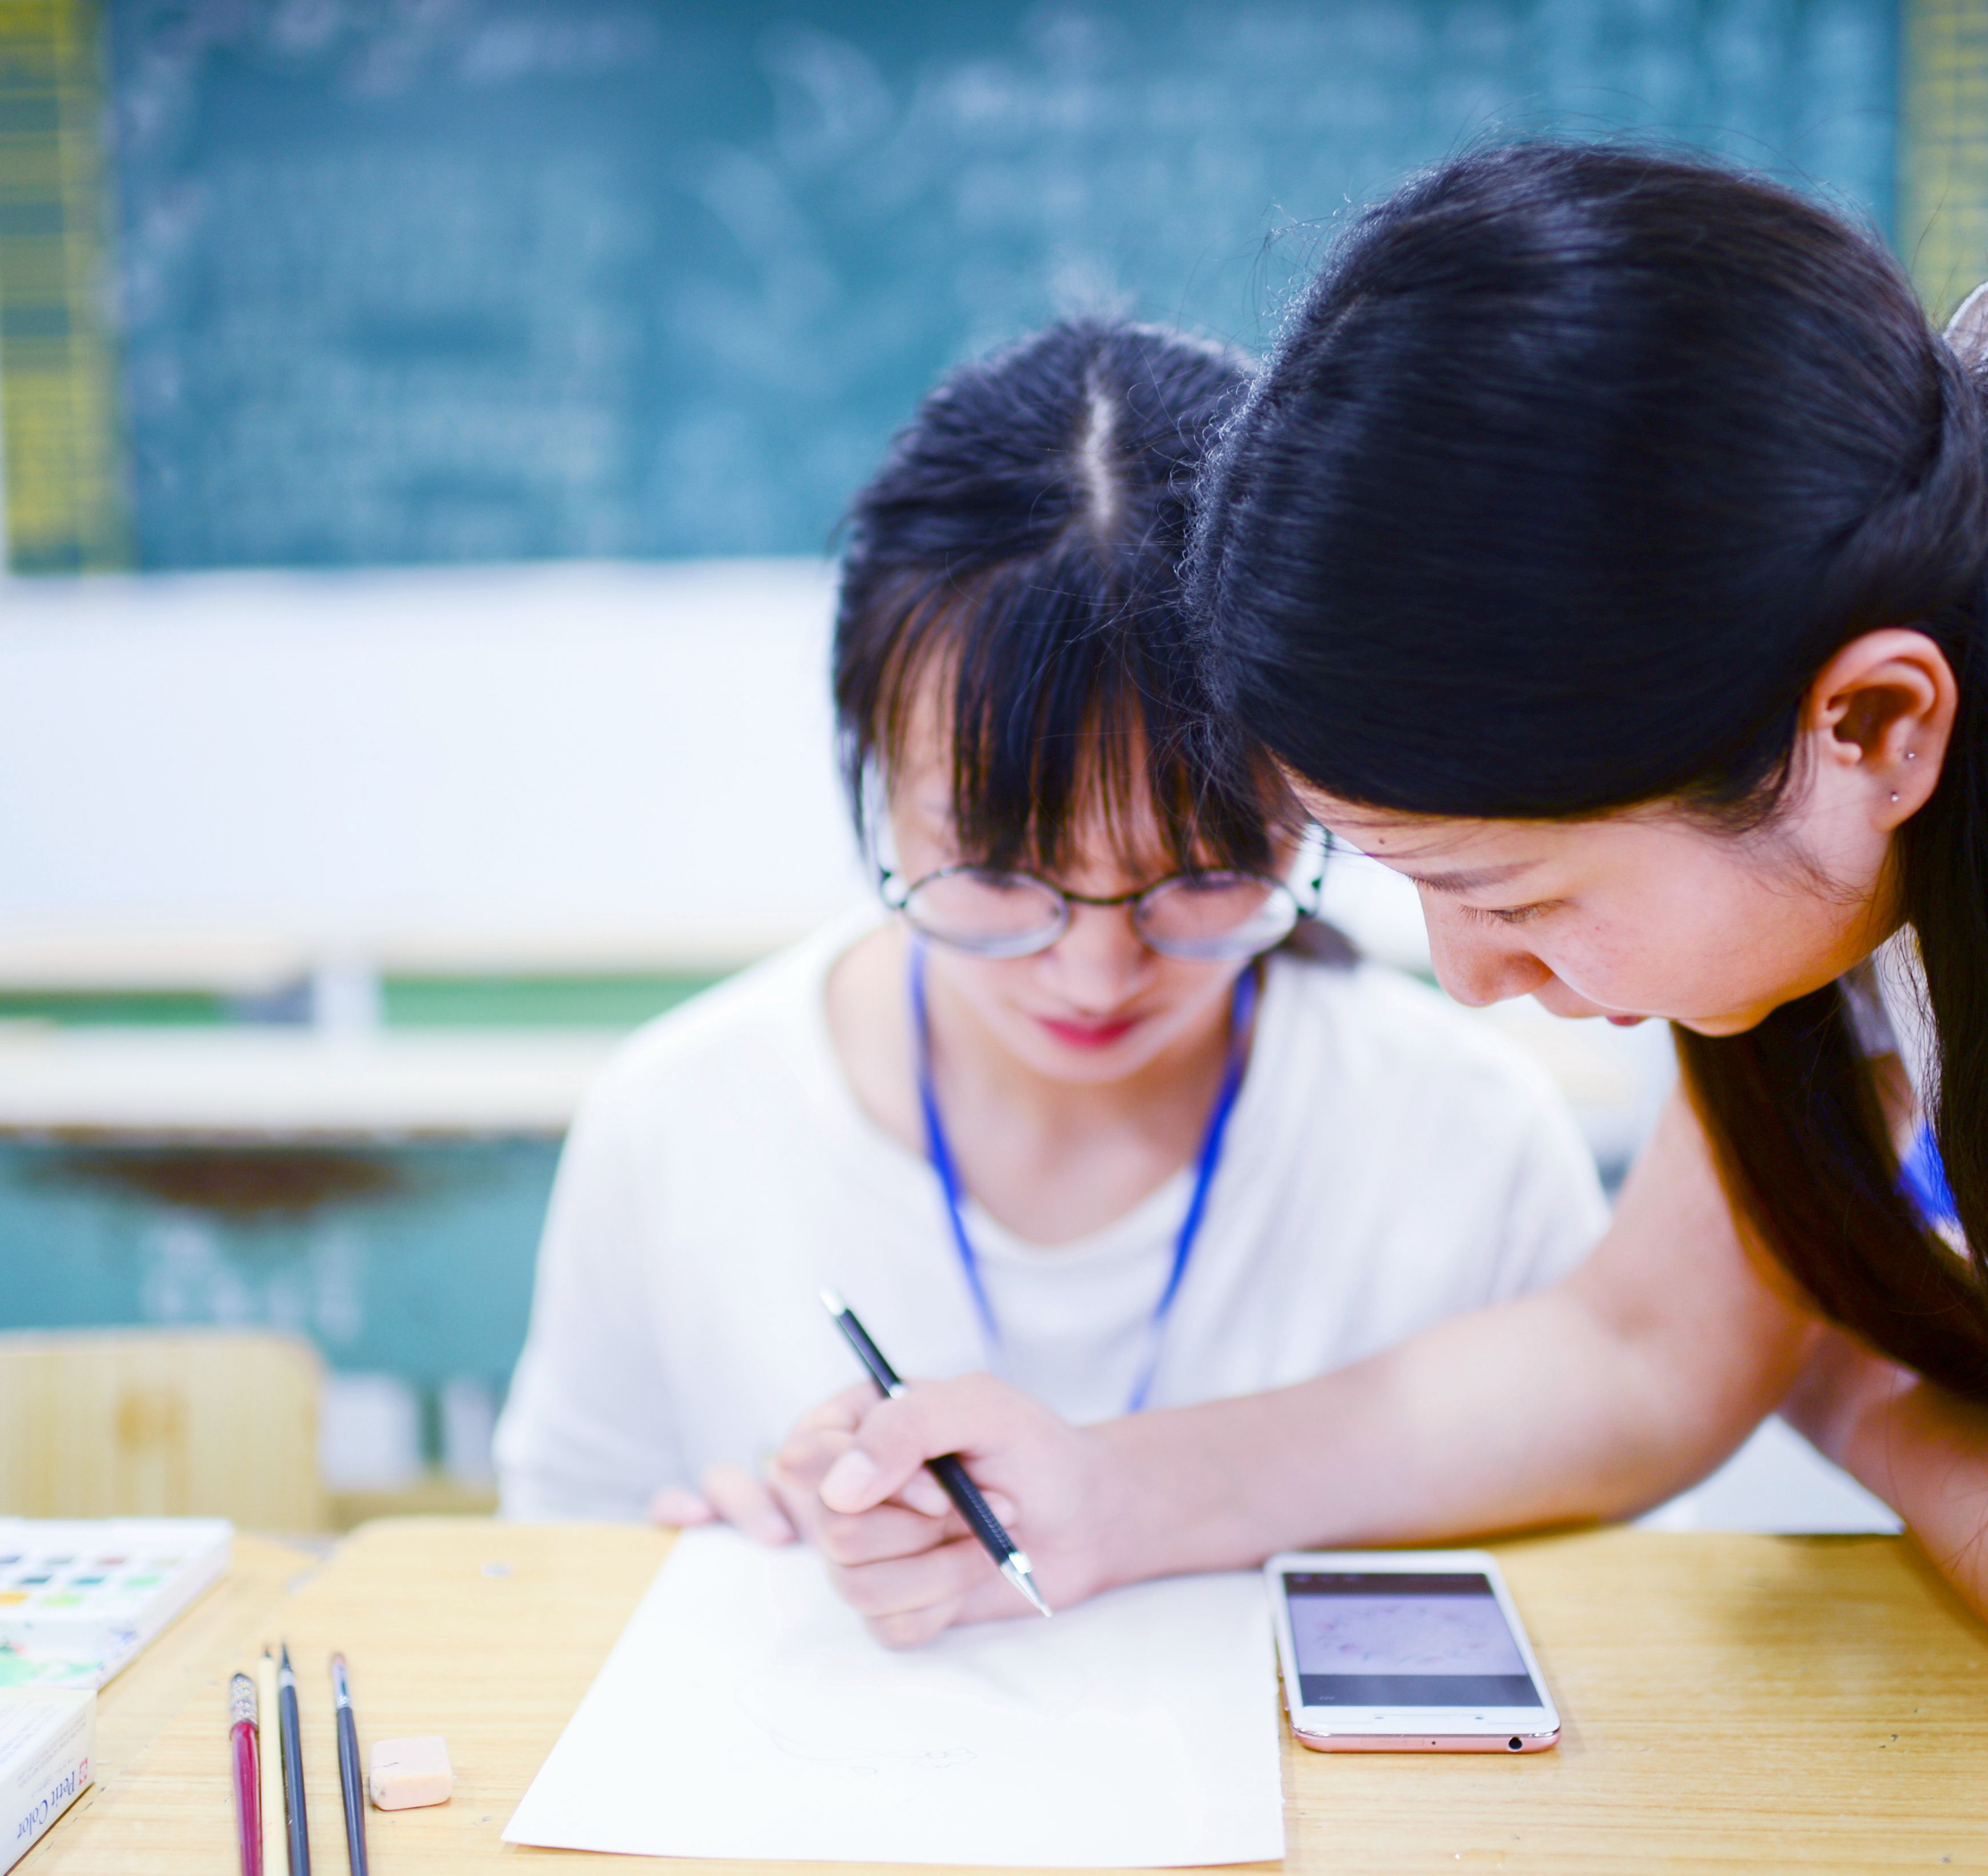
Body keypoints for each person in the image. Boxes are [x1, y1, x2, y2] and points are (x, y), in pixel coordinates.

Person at [780, 150, 1988, 1771]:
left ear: (1875, 728)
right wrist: (1102, 1494)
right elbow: (1649, 1346)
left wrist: (1862, 1399)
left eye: (1518, 899)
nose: (1469, 979)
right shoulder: (1872, 532)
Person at [491, 317, 1606, 1534]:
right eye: (1003, 868)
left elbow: (1592, 1612)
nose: (1091, 970)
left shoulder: (1470, 1143)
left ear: (1315, 802)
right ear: (874, 771)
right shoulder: (679, 1123)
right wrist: (705, 1582)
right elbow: (563, 1561)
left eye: (1202, 872)